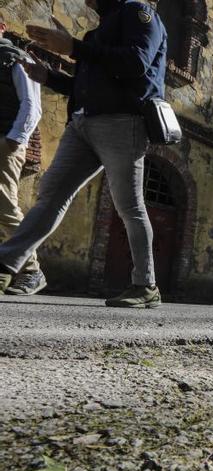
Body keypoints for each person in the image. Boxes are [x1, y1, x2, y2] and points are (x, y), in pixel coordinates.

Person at [0, 0, 167, 308]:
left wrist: (74, 48)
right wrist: (47, 76)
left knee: (128, 204)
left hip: (121, 121)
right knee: (51, 194)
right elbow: (88, 84)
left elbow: (136, 62)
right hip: (82, 123)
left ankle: (146, 286)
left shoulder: (139, 13)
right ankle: (6, 264)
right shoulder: (102, 28)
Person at [0, 17, 46, 296]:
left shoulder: (14, 57)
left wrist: (14, 139)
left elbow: (32, 105)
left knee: (5, 207)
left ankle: (31, 270)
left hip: (4, 140)